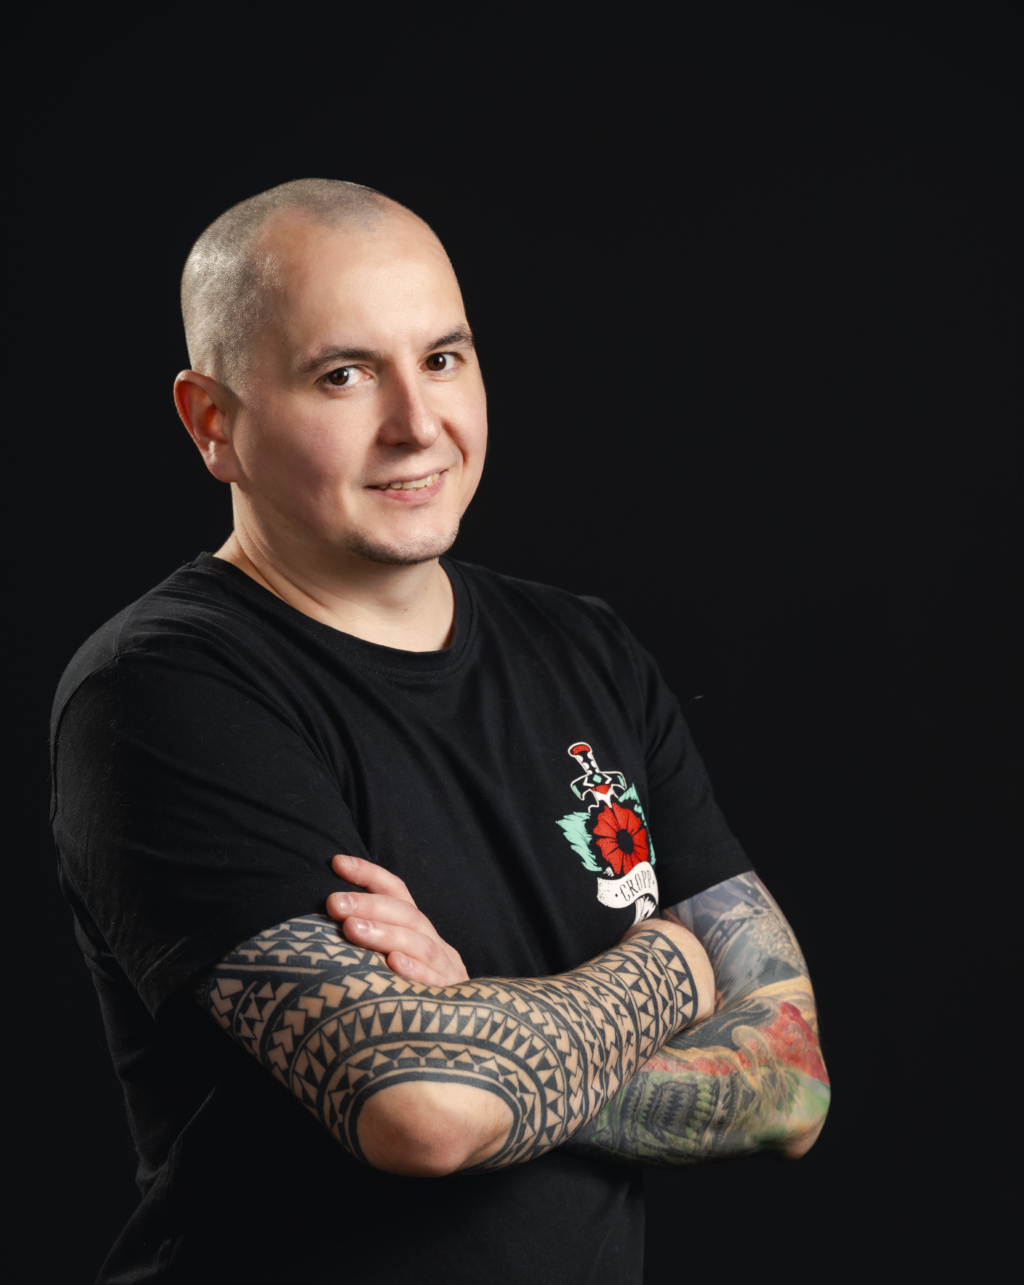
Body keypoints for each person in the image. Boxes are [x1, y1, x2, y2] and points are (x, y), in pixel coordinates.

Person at [52, 179, 830, 1284]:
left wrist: (474, 1031)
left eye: (443, 358)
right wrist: (678, 963)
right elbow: (420, 1115)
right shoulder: (163, 690)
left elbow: (791, 1088)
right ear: (212, 421)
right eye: (344, 374)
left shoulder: (586, 649)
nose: (418, 425)